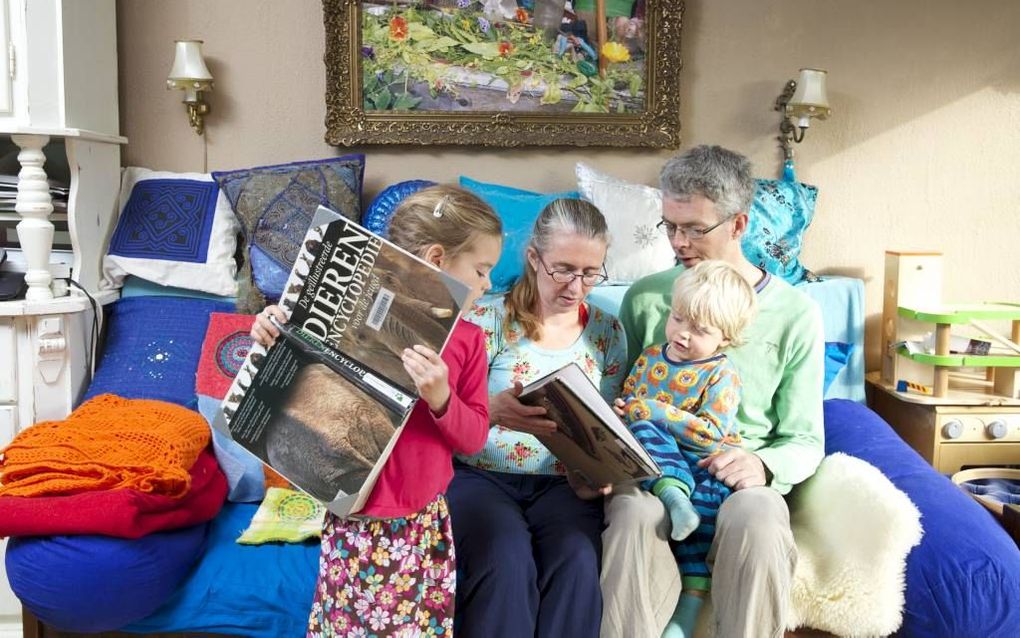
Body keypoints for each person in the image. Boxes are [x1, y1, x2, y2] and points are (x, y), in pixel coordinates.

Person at [251, 184, 503, 637]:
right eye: (481, 271)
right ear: (439, 259)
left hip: (417, 520)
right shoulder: (352, 311)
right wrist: (272, 334)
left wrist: (442, 397)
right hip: (350, 514)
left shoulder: (468, 341)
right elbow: (299, 382)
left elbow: (475, 437)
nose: (488, 285)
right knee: (340, 626)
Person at [600, 145, 825, 638]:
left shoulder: (796, 315)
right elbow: (620, 399)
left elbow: (805, 439)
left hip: (736, 475)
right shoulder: (648, 298)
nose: (678, 242)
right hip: (655, 469)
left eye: (694, 229)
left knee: (760, 514)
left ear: (739, 225)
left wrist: (763, 465)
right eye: (670, 225)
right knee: (634, 510)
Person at [448, 198, 628, 638]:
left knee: (578, 562)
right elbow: (440, 416)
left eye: (590, 273)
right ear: (533, 258)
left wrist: (598, 471)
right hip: (478, 476)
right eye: (563, 269)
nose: (576, 286)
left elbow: (604, 431)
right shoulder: (485, 319)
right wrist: (491, 412)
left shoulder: (607, 332)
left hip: (563, 485)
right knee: (504, 558)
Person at [618, 260, 757, 638]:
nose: (681, 334)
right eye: (678, 318)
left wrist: (654, 410)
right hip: (654, 465)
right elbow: (631, 402)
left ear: (725, 339)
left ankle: (683, 620)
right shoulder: (649, 357)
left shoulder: (720, 374)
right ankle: (675, 501)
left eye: (699, 330)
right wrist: (625, 410)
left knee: (697, 554)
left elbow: (712, 434)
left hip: (702, 465)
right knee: (644, 429)